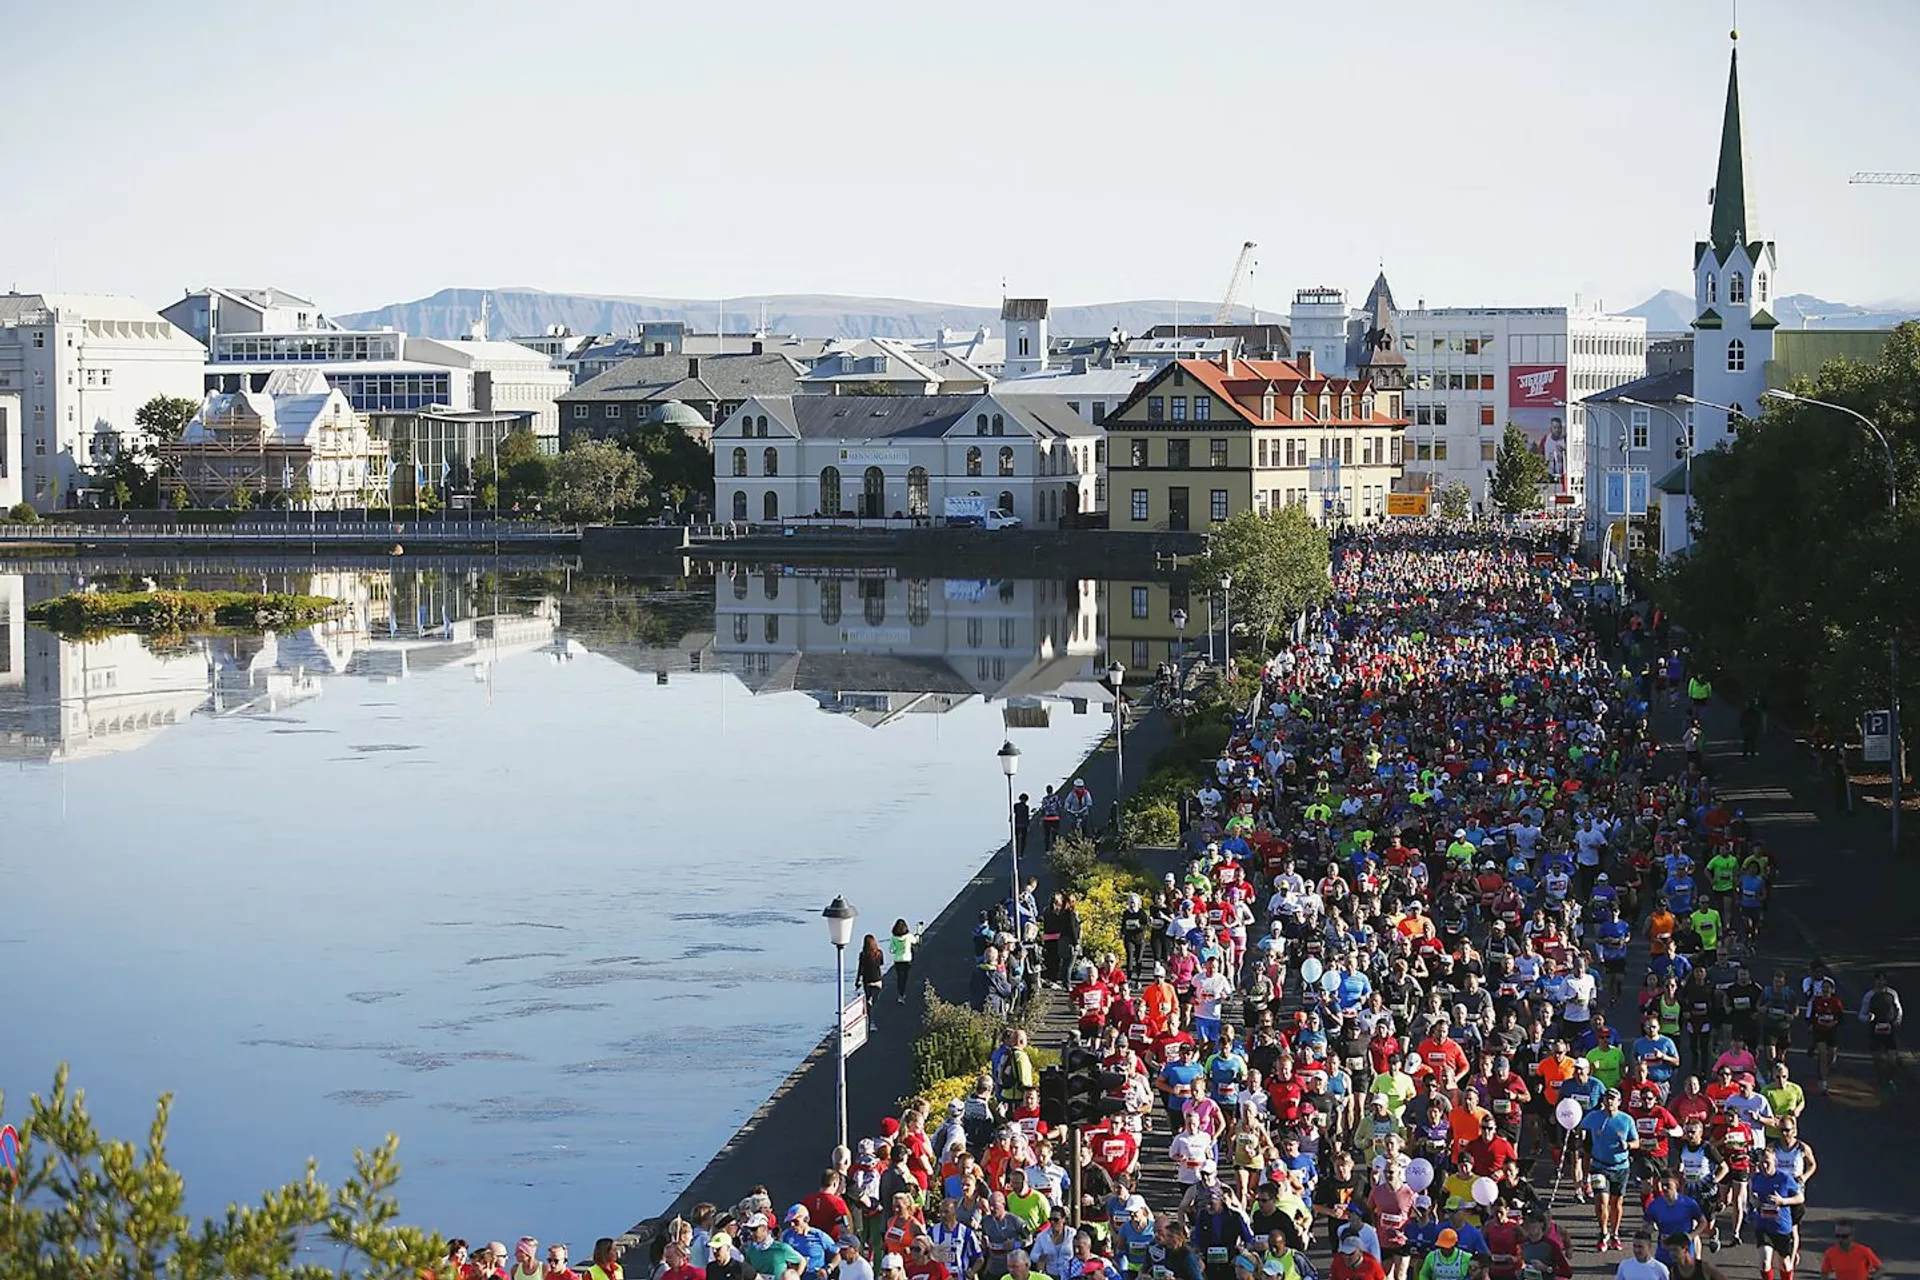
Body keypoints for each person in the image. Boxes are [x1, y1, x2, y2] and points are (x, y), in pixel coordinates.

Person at [1581, 1088, 1640, 1252]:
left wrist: (1627, 1145)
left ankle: (1614, 1234)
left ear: (1619, 1102)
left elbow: (1637, 1142)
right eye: (1607, 1098)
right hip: (1599, 1166)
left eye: (1613, 1099)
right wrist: (1581, 1137)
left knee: (1616, 1203)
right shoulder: (1594, 1117)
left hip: (1620, 1167)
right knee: (1601, 1202)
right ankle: (1603, 1233)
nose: (1609, 1102)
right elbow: (1580, 1126)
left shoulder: (1626, 1120)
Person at [1747, 1147, 1804, 1280]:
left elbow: (1800, 1198)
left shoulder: (1785, 1178)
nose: (1764, 1166)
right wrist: (1754, 1201)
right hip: (1764, 1226)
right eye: (1761, 1163)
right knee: (1765, 1262)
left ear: (1775, 1162)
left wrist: (1783, 1201)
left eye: (1767, 1162)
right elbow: (1751, 1195)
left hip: (1782, 1228)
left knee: (1785, 1264)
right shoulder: (1756, 1178)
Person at [1857, 971, 1904, 1090]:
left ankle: (1889, 1079)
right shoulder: (1869, 996)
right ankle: (1879, 1079)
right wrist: (1867, 1018)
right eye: (1878, 980)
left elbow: (1899, 1009)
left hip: (1889, 1030)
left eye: (1883, 980)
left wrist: (1897, 1020)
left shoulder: (1892, 994)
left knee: (1892, 1059)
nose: (1880, 982)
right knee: (1877, 1059)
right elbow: (1861, 1014)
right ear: (1875, 981)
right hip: (1875, 1031)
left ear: (1886, 981)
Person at [891, 920, 924, 1004]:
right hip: (907, 959)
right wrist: (918, 932)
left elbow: (892, 950)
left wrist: (897, 948)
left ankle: (900, 994)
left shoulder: (893, 937)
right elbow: (916, 941)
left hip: (897, 960)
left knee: (899, 977)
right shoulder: (908, 936)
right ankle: (902, 994)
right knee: (904, 977)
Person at [859, 936, 886, 1029]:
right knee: (876, 1001)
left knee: (868, 1001)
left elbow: (860, 969)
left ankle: (870, 1022)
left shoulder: (863, 955)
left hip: (867, 981)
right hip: (877, 980)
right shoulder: (879, 953)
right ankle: (872, 1008)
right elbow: (881, 963)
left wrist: (857, 980)